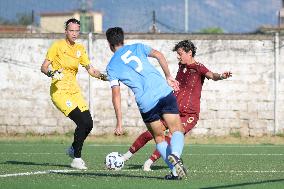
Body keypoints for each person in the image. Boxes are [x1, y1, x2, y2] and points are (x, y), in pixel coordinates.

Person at [122, 40, 232, 171]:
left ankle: (150, 162)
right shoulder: (181, 67)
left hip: (189, 115)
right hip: (172, 111)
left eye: (180, 54)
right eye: (177, 54)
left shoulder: (199, 67)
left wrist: (221, 76)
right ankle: (124, 158)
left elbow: (212, 75)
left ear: (189, 53)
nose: (178, 57)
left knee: (171, 137)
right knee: (149, 133)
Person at [105, 27, 187, 180]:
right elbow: (159, 55)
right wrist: (168, 76)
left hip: (146, 103)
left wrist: (119, 122)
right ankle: (175, 155)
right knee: (177, 130)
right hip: (162, 91)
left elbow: (116, 95)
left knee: (159, 138)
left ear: (110, 45)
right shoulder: (137, 47)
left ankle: (175, 171)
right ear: (123, 40)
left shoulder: (111, 67)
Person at [40, 18, 107, 170]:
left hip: (74, 91)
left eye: (77, 31)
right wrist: (52, 73)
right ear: (66, 31)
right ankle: (76, 159)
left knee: (89, 124)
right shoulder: (57, 46)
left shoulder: (80, 49)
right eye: (71, 30)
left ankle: (73, 148)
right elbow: (43, 67)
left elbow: (91, 70)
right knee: (81, 123)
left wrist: (105, 77)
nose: (74, 33)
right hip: (60, 92)